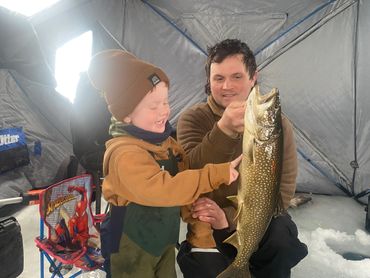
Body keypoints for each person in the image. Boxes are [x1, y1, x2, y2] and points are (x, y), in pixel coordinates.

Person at [87, 49, 242, 278]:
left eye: (165, 101)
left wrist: (198, 228)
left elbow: (185, 181)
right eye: (153, 106)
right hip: (130, 247)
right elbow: (165, 189)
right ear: (126, 114)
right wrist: (212, 174)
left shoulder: (167, 144)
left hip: (162, 240)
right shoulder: (124, 153)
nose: (164, 111)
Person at [176, 39, 308, 278]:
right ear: (209, 81)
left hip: (261, 219)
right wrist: (223, 131)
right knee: (204, 268)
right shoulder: (192, 119)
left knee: (282, 238)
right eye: (218, 78)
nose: (227, 86)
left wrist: (229, 218)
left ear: (253, 77)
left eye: (237, 76)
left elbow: (284, 188)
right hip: (208, 221)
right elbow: (188, 174)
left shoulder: (276, 124)